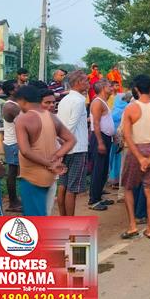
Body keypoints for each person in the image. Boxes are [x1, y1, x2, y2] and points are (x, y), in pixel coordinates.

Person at [15, 86, 75, 216]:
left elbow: (25, 151)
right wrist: (56, 157)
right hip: (50, 176)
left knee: (34, 218)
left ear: (23, 101)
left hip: (31, 175)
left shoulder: (23, 119)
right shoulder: (51, 117)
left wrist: (49, 163)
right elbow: (71, 140)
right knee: (45, 213)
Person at [120, 74, 150, 240]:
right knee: (149, 189)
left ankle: (132, 225)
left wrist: (140, 158)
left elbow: (127, 135)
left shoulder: (131, 109)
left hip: (135, 151)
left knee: (129, 188)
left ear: (137, 89)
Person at [56, 70, 90, 216]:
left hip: (66, 148)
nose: (88, 83)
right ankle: (71, 224)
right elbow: (70, 126)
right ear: (78, 83)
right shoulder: (79, 100)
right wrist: (66, 142)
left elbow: (60, 124)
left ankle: (64, 219)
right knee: (72, 188)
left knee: (63, 184)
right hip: (77, 148)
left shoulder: (65, 100)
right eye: (86, 81)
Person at [88, 80, 115, 211]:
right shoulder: (98, 102)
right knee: (98, 170)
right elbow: (96, 124)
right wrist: (100, 142)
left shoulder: (103, 102)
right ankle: (93, 200)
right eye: (110, 86)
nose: (112, 88)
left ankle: (98, 196)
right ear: (104, 88)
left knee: (104, 170)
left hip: (105, 137)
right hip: (100, 137)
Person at [2, 80, 22, 212]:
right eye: (16, 87)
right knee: (13, 172)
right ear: (10, 91)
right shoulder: (11, 106)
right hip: (13, 142)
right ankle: (13, 202)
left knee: (14, 171)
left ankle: (14, 200)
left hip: (13, 142)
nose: (19, 88)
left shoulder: (13, 104)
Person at [39, 88, 59, 214]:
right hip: (39, 167)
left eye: (53, 102)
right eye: (47, 103)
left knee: (48, 204)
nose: (51, 105)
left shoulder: (53, 118)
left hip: (52, 165)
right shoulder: (32, 119)